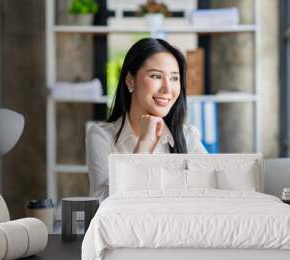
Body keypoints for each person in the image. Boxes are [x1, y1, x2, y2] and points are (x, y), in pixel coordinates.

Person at [86, 38, 207, 202]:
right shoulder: (101, 136)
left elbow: (211, 191)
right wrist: (144, 144)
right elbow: (100, 204)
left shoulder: (187, 136)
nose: (167, 89)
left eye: (174, 78)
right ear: (130, 80)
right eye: (156, 76)